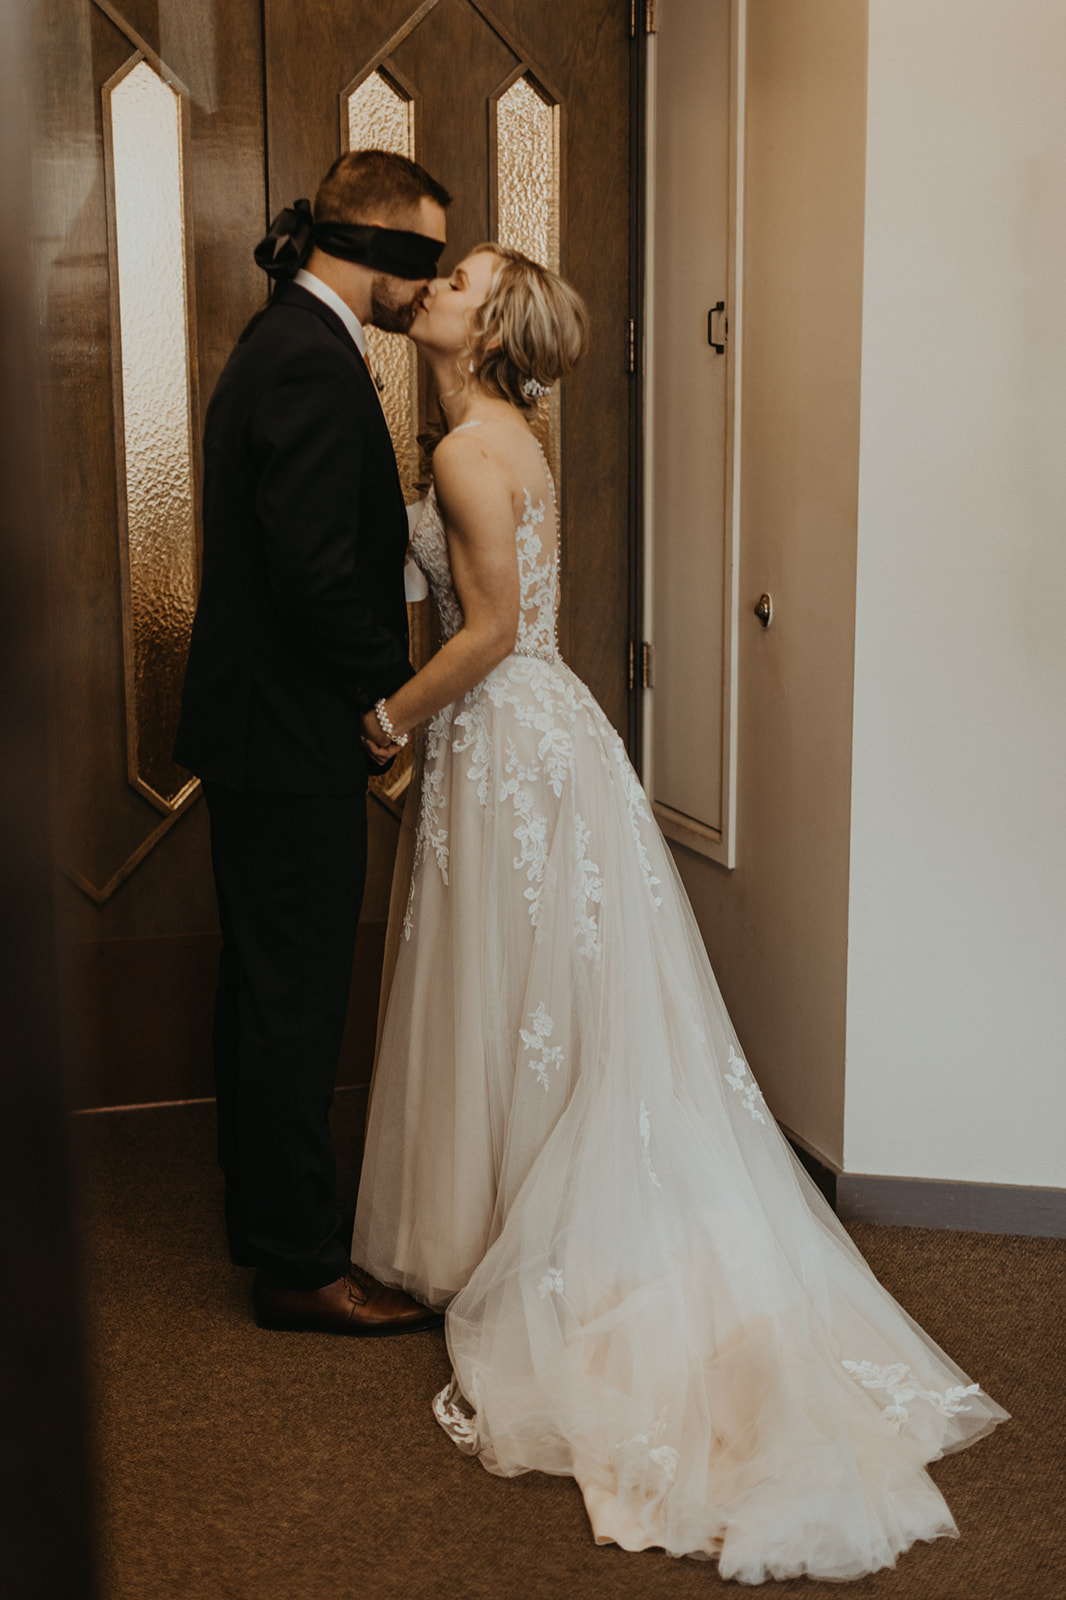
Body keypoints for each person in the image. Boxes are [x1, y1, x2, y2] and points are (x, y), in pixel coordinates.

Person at [351, 244, 1009, 1580]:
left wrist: (386, 717)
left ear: (486, 328)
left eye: (463, 277)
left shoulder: (470, 453)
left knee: (519, 985)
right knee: (538, 991)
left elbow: (481, 632)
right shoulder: (500, 433)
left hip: (507, 729)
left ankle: (534, 1251)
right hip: (531, 733)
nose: (437, 283)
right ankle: (503, 1224)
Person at [174, 150, 451, 1337]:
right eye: (423, 259)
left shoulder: (287, 340)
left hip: (252, 732)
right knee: (294, 997)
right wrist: (381, 701)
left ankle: (262, 1217)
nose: (424, 288)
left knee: (261, 983)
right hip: (289, 739)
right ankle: (297, 1262)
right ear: (378, 249)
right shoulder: (309, 361)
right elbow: (314, 575)